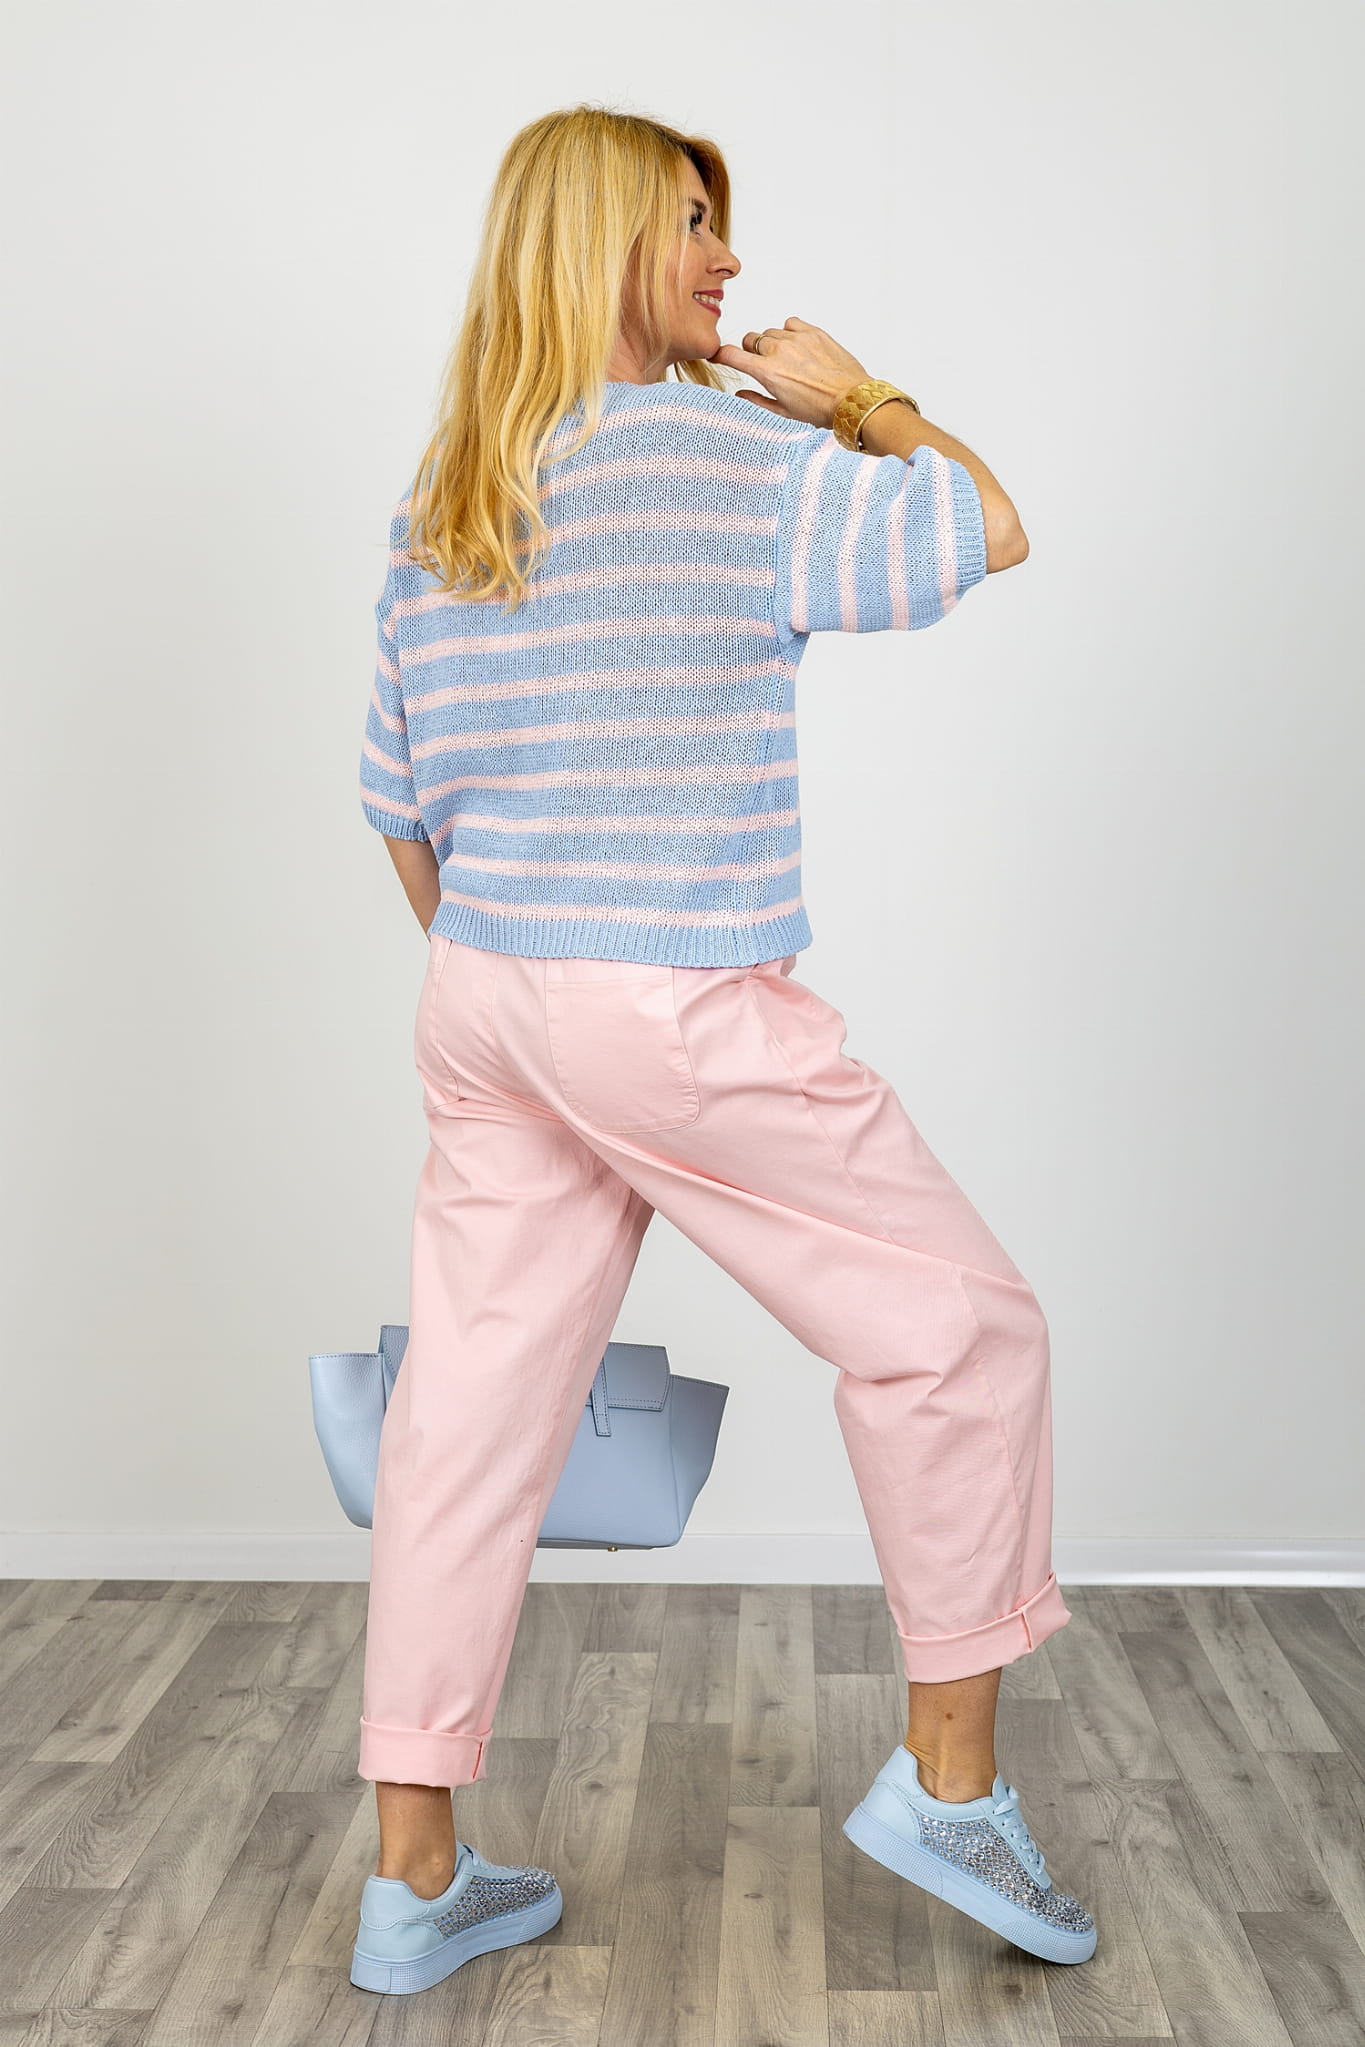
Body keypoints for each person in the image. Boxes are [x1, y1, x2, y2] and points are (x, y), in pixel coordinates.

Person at [347, 104, 1097, 1999]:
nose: (728, 261)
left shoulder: (453, 484)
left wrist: (524, 995)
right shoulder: (727, 456)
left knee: (464, 1421)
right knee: (961, 1331)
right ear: (603, 242)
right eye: (691, 223)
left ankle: (413, 1878)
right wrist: (864, 401)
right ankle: (950, 1790)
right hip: (666, 996)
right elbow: (988, 526)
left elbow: (396, 802)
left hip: (486, 993)